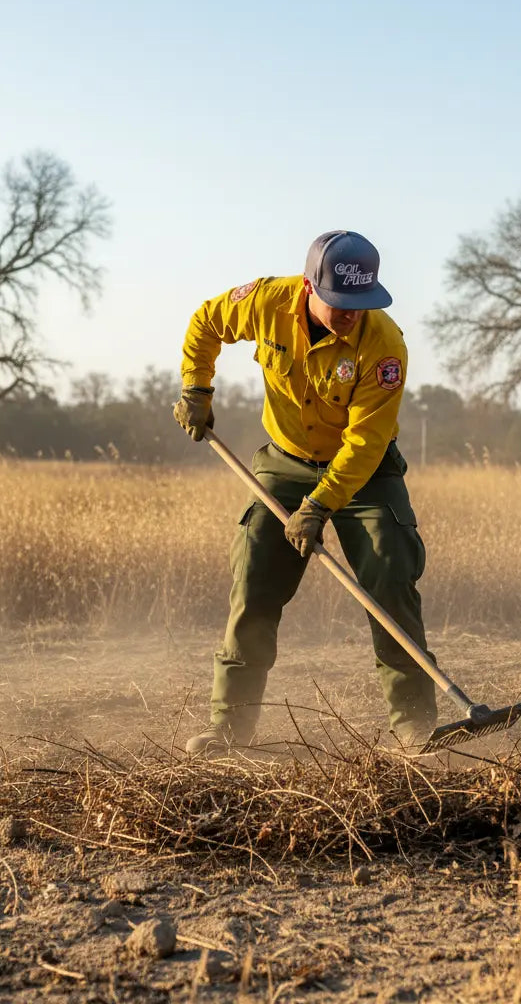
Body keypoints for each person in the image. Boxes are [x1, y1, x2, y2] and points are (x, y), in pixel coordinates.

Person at [174, 230, 437, 755]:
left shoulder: (385, 345)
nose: (350, 315)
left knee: (389, 568)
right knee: (253, 573)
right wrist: (196, 388)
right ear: (310, 285)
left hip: (365, 473)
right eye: (340, 303)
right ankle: (230, 726)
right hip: (287, 458)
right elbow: (206, 321)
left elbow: (364, 442)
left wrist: (319, 506)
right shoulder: (267, 302)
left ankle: (415, 727)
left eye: (361, 304)